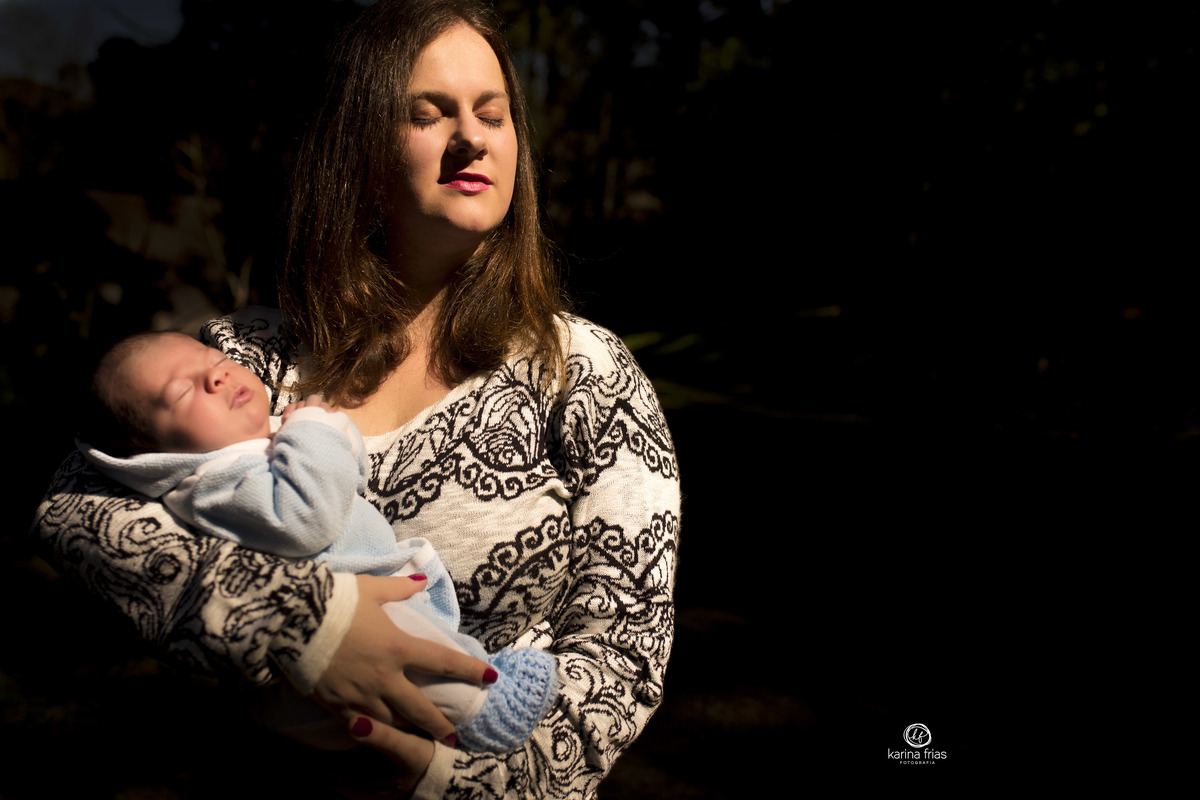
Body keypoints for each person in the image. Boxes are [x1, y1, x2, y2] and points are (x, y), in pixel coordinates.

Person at [33, 0, 679, 797]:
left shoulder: (585, 373)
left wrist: (451, 780)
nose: (472, 137)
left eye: (493, 113)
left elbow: (626, 649)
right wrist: (309, 629)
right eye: (428, 113)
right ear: (362, 147)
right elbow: (73, 507)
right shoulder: (248, 357)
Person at [76, 330, 558, 754]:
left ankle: (479, 677)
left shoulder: (254, 449)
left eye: (216, 360)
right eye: (182, 391)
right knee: (413, 660)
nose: (217, 376)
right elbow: (307, 517)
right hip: (343, 619)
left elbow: (345, 477)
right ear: (157, 453)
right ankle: (481, 710)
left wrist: (322, 432)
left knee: (420, 648)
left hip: (368, 600)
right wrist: (311, 432)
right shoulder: (216, 484)